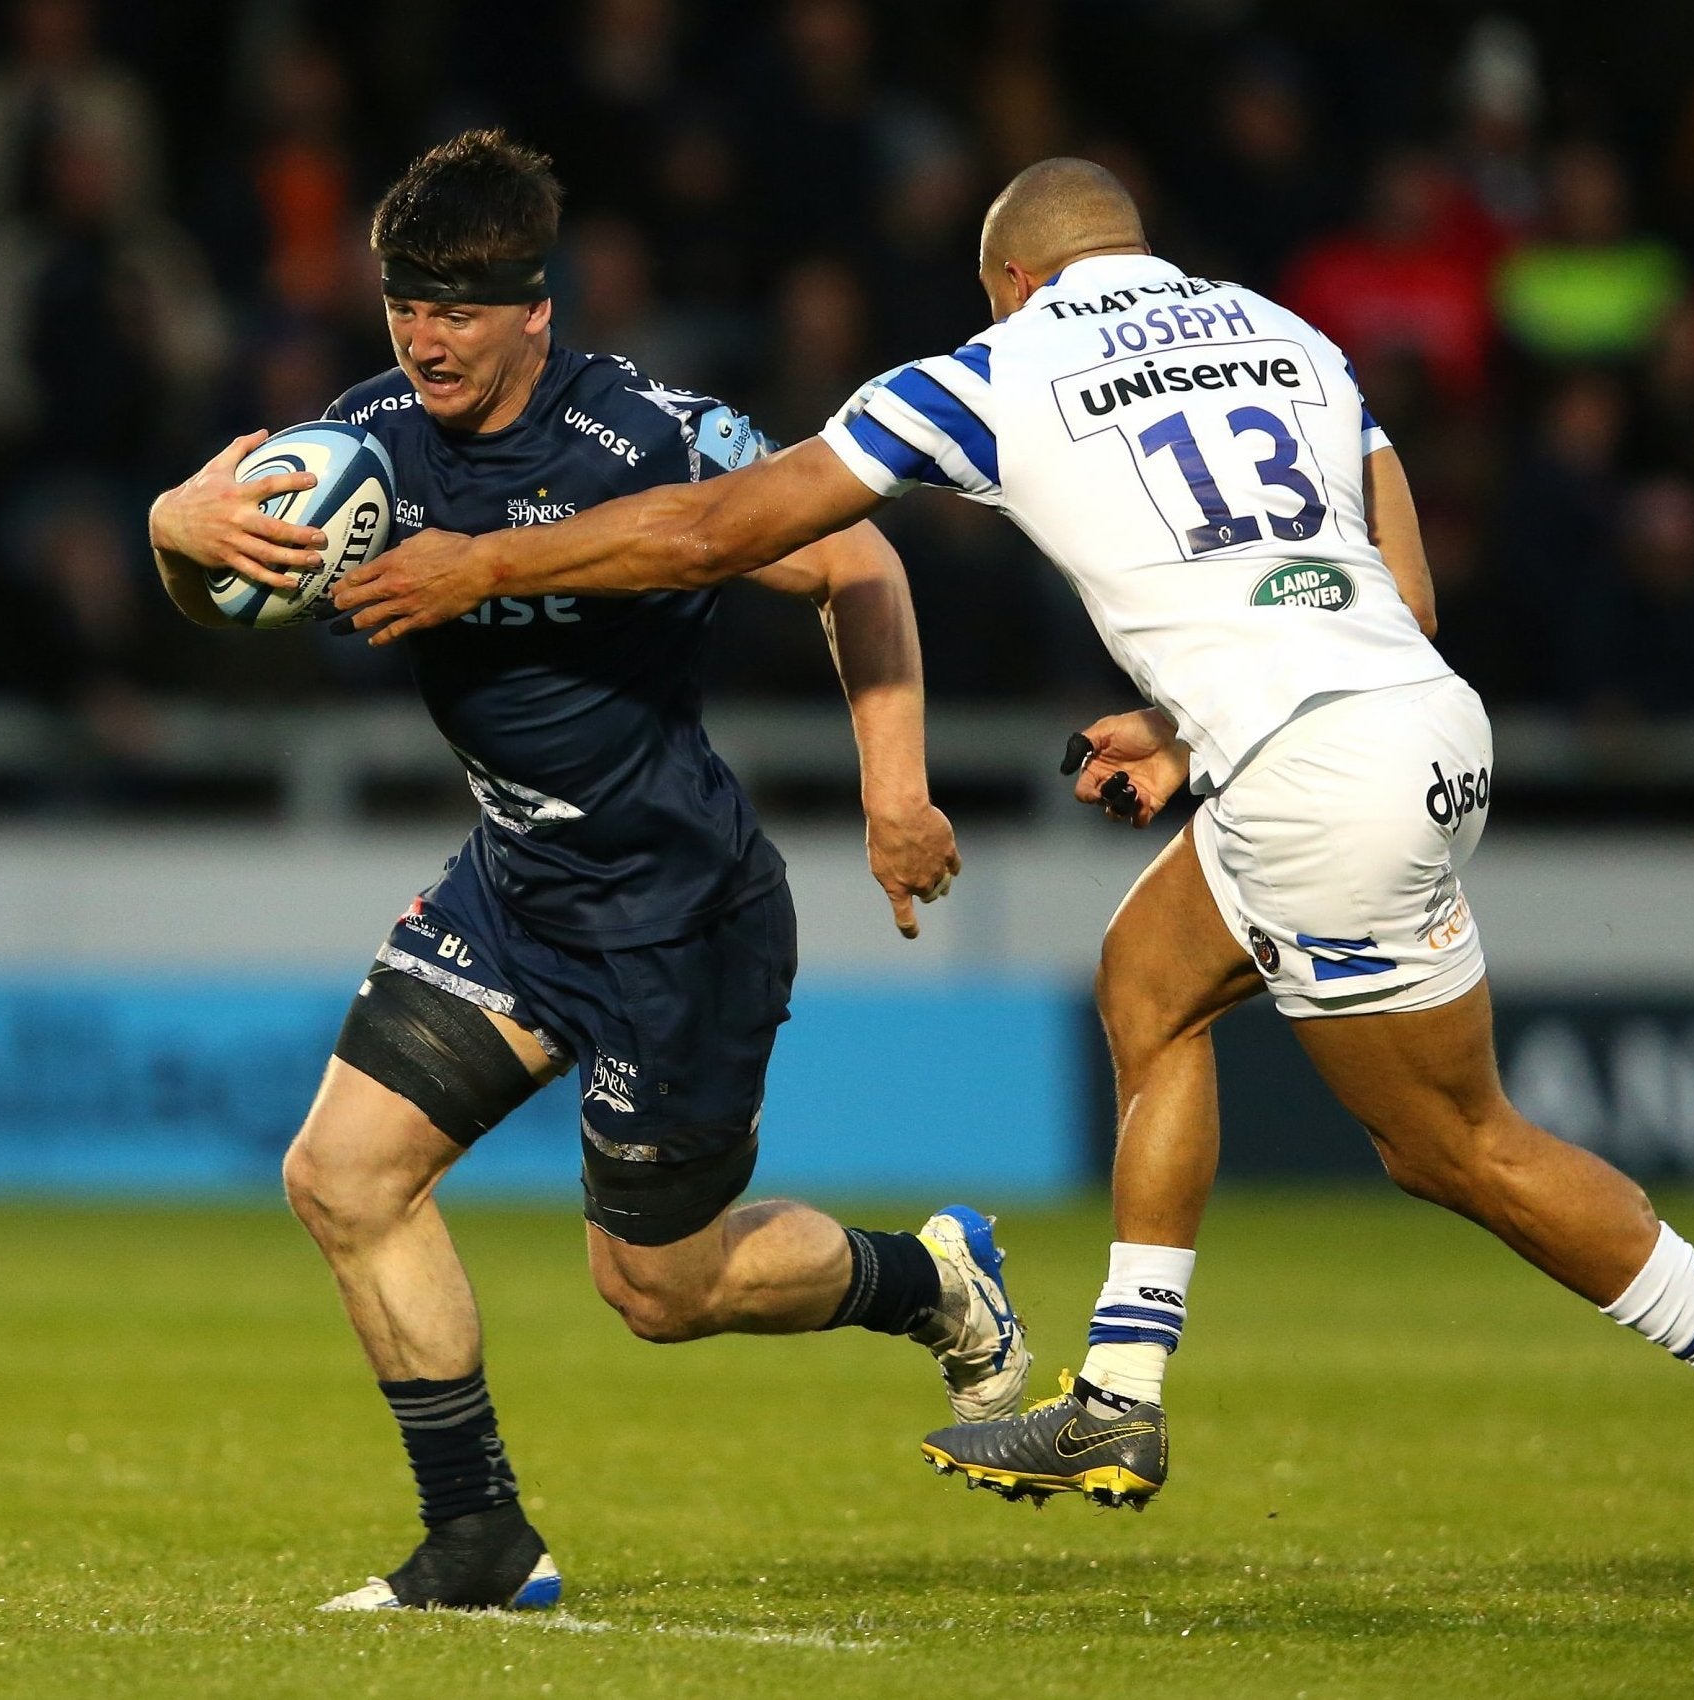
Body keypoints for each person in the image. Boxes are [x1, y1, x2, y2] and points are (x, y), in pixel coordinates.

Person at [329, 157, 1694, 1557]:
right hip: (1411, 723)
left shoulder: (1001, 365)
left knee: (1451, 1146)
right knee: (1149, 982)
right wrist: (1193, 730)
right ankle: (1120, 1395)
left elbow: (705, 533)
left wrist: (486, 562)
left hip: (1319, 776)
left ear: (1010, 278)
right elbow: (1394, 585)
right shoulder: (1296, 340)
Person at [146, 131, 1027, 1613]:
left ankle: (929, 1279)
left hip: (677, 918)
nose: (424, 335)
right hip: (516, 891)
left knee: (658, 1294)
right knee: (343, 1178)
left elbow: (858, 562)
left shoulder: (648, 436)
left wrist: (894, 793)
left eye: (458, 305)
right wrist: (174, 525)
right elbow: (220, 583)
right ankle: (480, 1541)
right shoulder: (367, 447)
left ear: (535, 308)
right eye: (403, 302)